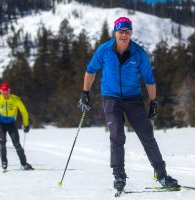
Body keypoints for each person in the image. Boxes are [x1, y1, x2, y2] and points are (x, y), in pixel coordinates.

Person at [77, 17, 180, 191]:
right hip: (111, 98)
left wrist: (153, 102)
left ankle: (162, 176)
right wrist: (85, 93)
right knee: (117, 135)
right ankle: (119, 176)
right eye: (121, 31)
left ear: (131, 33)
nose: (124, 35)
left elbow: (149, 79)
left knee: (147, 135)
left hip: (133, 99)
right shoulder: (104, 50)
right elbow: (90, 71)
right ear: (115, 32)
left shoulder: (139, 53)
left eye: (127, 31)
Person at [0, 83, 33, 170]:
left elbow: (23, 111)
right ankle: (4, 162)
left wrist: (26, 124)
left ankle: (24, 163)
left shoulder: (15, 99)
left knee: (16, 143)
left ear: (9, 91)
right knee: (2, 141)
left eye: (7, 92)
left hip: (11, 124)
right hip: (0, 123)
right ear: (1, 91)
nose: (5, 94)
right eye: (4, 92)